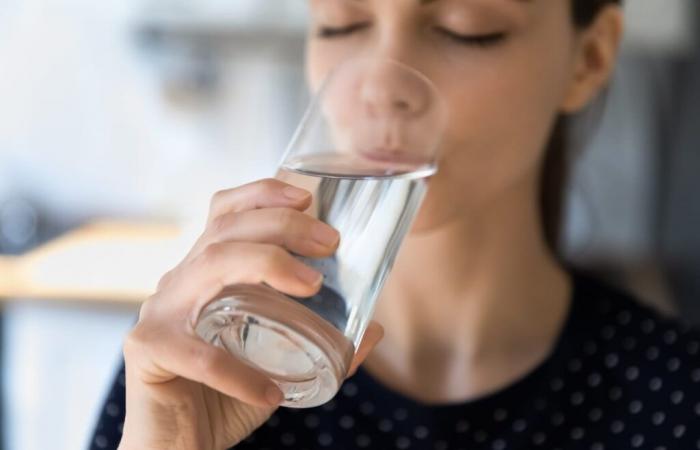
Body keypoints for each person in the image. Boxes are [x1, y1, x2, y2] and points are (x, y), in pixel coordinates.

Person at [91, 1, 700, 449]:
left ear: (588, 59)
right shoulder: (200, 365)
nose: (381, 82)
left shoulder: (676, 400)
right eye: (342, 23)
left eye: (467, 29)